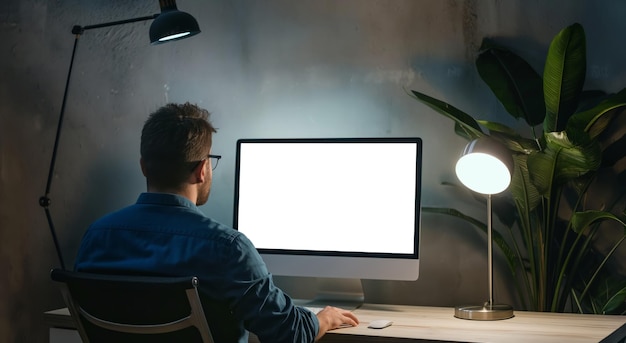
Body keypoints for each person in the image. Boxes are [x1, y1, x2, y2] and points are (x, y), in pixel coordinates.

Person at [74, 102, 359, 342]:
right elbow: (287, 332)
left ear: (144, 166)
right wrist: (322, 319)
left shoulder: (96, 236)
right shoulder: (227, 248)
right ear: (202, 169)